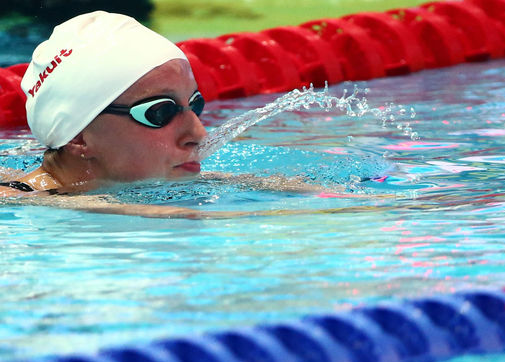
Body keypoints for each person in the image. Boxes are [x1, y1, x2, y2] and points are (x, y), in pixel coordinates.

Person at [0, 11, 328, 217]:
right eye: (159, 112)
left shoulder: (133, 177)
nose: (198, 133)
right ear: (78, 137)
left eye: (195, 105)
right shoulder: (16, 200)